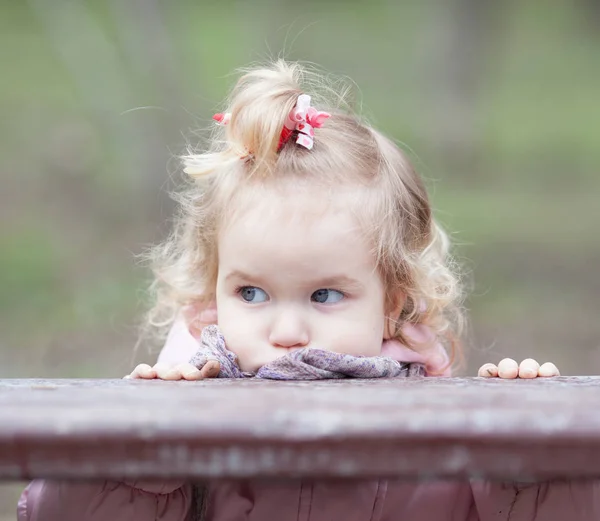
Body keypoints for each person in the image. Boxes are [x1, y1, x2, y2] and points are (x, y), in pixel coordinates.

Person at [19, 60, 594, 521]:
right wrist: (138, 447)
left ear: (391, 304)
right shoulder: (189, 420)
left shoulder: (441, 437)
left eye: (324, 296)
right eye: (250, 294)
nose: (287, 333)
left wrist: (530, 456)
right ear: (212, 291)